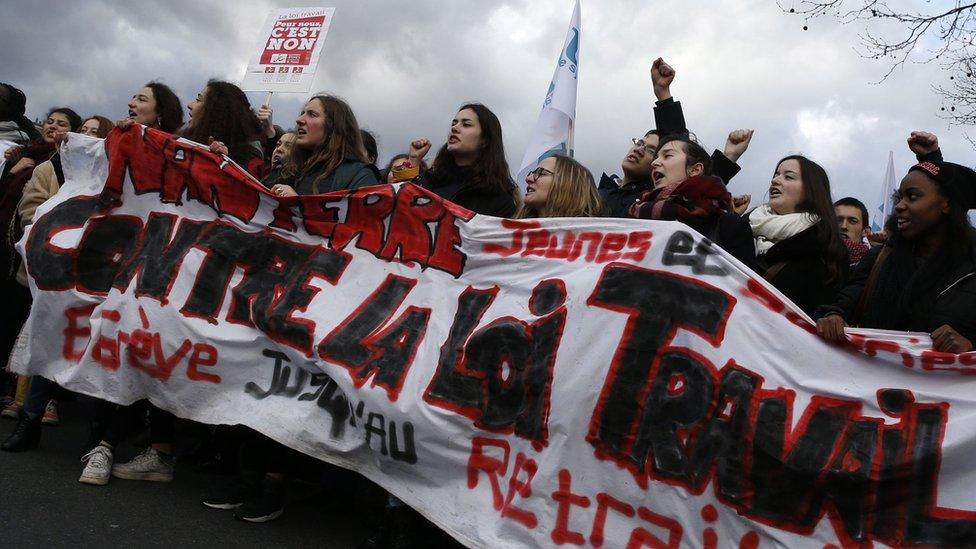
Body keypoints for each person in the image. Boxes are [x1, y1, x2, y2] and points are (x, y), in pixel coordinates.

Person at [2, 115, 114, 451]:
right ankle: (30, 419)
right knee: (47, 341)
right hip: (54, 273)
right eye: (85, 132)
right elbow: (30, 210)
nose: (87, 137)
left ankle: (98, 431)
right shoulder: (50, 169)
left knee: (90, 352)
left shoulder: (113, 177)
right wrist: (58, 239)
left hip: (94, 280)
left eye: (96, 134)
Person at [817, 153, 976, 353]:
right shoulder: (879, 259)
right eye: (899, 197)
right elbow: (843, 302)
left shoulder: (970, 269)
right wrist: (834, 316)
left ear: (946, 204)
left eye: (913, 196)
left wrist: (970, 345)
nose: (900, 206)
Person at [599, 58, 751, 217]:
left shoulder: (654, 201)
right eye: (639, 143)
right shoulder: (593, 194)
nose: (639, 150)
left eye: (652, 150)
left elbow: (682, 150)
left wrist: (663, 94)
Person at [630, 135, 757, 269]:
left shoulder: (729, 227)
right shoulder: (635, 217)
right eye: (656, 158)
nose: (654, 163)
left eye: (667, 156)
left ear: (695, 170)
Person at [748, 155, 848, 316]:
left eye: (788, 177)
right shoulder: (744, 224)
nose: (775, 181)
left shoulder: (827, 249)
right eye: (776, 175)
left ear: (811, 190)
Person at [407, 103, 519, 217]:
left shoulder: (499, 200)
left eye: (466, 124)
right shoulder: (430, 180)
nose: (454, 128)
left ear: (485, 140)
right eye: (454, 124)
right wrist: (413, 160)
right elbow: (400, 210)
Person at [265, 95, 378, 196]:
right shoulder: (287, 171)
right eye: (302, 114)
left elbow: (361, 218)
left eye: (312, 115)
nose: (299, 120)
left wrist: (298, 206)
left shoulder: (358, 176)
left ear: (334, 126)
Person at [183, 80, 265, 177]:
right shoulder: (183, 144)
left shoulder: (250, 164)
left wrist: (226, 166)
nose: (189, 105)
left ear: (216, 112)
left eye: (198, 100)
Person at [517, 155, 605, 218]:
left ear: (568, 184)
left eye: (541, 173)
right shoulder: (510, 235)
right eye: (531, 173)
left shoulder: (597, 239)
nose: (528, 178)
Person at [835, 197, 871, 266]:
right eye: (838, 220)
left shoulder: (873, 266)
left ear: (865, 231)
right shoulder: (812, 259)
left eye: (853, 221)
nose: (843, 226)